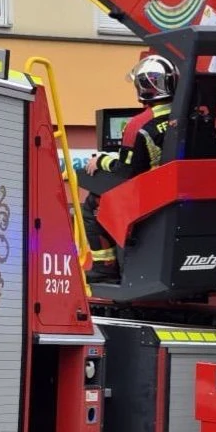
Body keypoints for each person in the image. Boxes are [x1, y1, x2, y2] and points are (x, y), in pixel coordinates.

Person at [80, 54, 179, 283]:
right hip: (175, 190)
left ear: (143, 87)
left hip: (149, 197)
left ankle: (105, 266)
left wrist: (103, 160)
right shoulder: (185, 115)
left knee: (93, 204)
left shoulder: (139, 124)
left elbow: (125, 173)